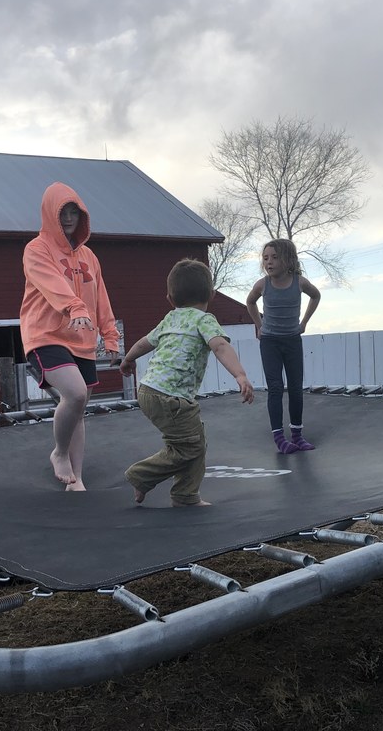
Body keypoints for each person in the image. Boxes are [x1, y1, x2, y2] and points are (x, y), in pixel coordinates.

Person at [119, 259, 254, 506]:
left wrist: (128, 360)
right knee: (190, 448)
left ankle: (185, 495)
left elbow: (143, 343)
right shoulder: (204, 320)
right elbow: (220, 346)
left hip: (147, 391)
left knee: (194, 441)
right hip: (171, 396)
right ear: (211, 295)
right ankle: (141, 475)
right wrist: (240, 374)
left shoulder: (170, 319)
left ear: (170, 298)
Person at [21, 182, 120, 491]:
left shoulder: (89, 256)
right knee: (75, 394)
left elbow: (100, 297)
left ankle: (76, 480)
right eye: (62, 212)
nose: (67, 218)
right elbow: (53, 284)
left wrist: (110, 334)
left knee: (78, 410)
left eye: (73, 212)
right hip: (46, 334)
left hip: (82, 339)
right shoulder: (36, 249)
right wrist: (75, 306)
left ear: (82, 216)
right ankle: (59, 453)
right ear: (50, 214)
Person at [245, 239, 321, 454]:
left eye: (274, 257)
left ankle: (297, 435)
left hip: (292, 340)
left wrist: (304, 323)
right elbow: (250, 302)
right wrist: (259, 325)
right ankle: (279, 437)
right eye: (265, 258)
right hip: (270, 341)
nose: (269, 262)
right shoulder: (262, 285)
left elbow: (316, 296)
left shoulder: (299, 282)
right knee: (276, 387)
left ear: (288, 260)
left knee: (296, 388)